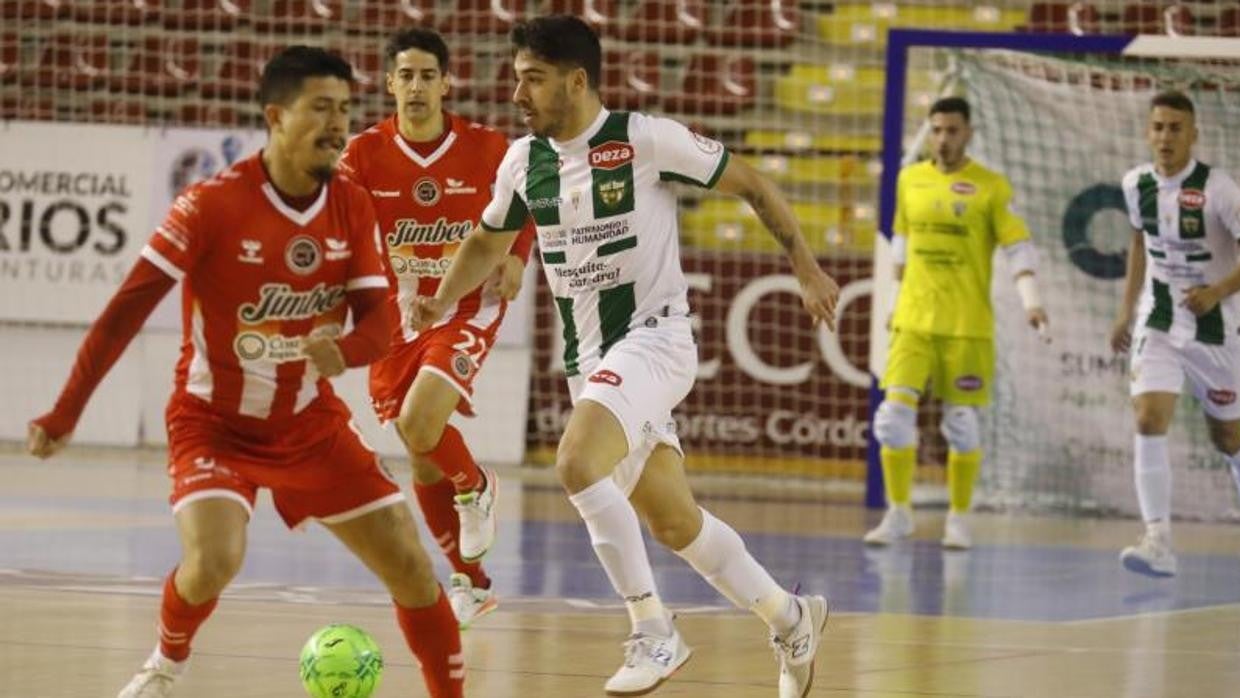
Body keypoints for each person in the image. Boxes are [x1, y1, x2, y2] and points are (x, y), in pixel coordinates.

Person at [411, 15, 841, 698]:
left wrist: (806, 267)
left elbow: (754, 185)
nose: (517, 93)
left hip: (658, 339)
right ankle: (790, 617)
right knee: (674, 522)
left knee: (576, 462)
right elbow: (489, 242)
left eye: (533, 78)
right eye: (516, 76)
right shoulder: (524, 161)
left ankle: (653, 631)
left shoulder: (645, 140)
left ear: (576, 81)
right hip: (593, 365)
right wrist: (439, 299)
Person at [26, 47, 464, 698]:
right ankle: (166, 661)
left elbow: (380, 320)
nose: (338, 125)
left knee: (411, 567)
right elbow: (124, 312)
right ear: (275, 117)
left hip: (309, 425)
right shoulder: (211, 204)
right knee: (215, 560)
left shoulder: (350, 203)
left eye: (345, 110)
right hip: (214, 424)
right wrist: (65, 413)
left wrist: (342, 353)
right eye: (321, 109)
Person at [339, 28, 535, 628]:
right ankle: (471, 583)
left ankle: (476, 487)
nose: (418, 86)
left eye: (429, 75)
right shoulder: (363, 155)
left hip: (465, 307)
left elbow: (526, 200)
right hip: (396, 316)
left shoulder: (487, 148)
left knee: (418, 422)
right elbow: (338, 224)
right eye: (407, 75)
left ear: (448, 83)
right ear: (390, 83)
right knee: (422, 458)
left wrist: (518, 254)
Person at [864, 96, 1049, 550]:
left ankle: (959, 518)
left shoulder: (991, 187)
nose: (943, 139)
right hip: (913, 319)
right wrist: (893, 301)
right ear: (929, 132)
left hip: (967, 325)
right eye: (937, 130)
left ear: (969, 133)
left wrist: (1031, 300)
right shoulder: (911, 179)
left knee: (962, 425)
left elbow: (1018, 247)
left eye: (952, 130)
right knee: (891, 419)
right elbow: (903, 241)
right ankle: (899, 512)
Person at [1110, 90, 1240, 578]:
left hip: (1218, 325)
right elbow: (1138, 242)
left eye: (1175, 128)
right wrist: (1126, 311)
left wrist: (1218, 290)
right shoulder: (1135, 183)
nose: (1165, 136)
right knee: (1148, 418)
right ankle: (1159, 541)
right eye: (1158, 127)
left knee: (1230, 438)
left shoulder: (1220, 189)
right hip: (1161, 319)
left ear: (1194, 134)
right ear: (1148, 132)